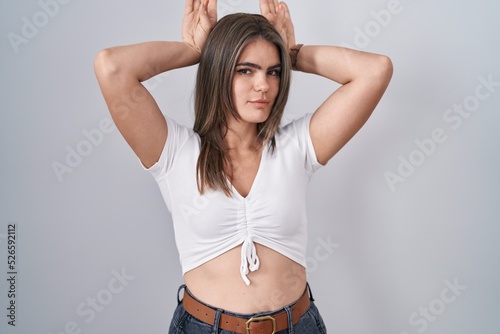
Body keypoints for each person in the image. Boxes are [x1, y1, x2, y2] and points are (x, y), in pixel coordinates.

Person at [94, 0, 393, 332]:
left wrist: (291, 52)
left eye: (273, 71)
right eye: (245, 70)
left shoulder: (296, 148)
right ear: (218, 70)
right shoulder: (175, 154)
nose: (263, 85)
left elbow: (375, 70)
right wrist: (194, 50)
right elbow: (112, 67)